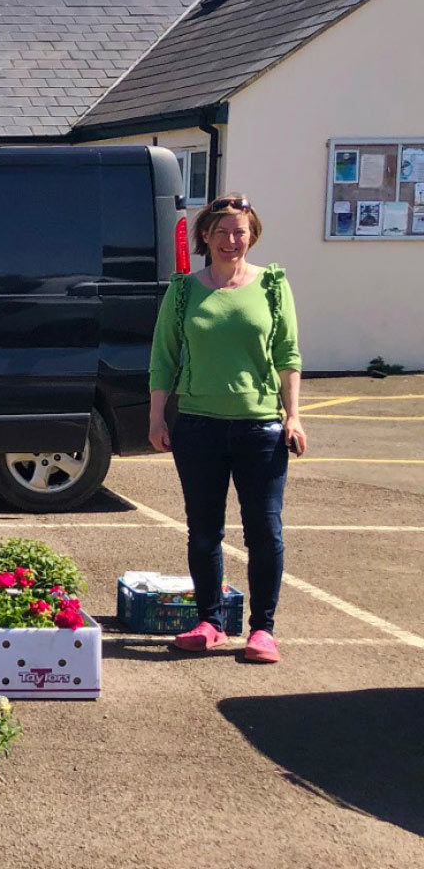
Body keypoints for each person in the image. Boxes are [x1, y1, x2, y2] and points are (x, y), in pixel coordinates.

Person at [148, 193, 303, 664]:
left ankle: (263, 630)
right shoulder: (183, 292)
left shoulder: (272, 286)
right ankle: (210, 622)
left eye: (240, 231)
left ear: (251, 235)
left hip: (260, 428)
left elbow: (287, 355)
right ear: (206, 238)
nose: (232, 240)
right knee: (203, 531)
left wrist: (293, 415)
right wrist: (157, 417)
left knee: (265, 531)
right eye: (221, 232)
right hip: (198, 427)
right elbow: (164, 358)